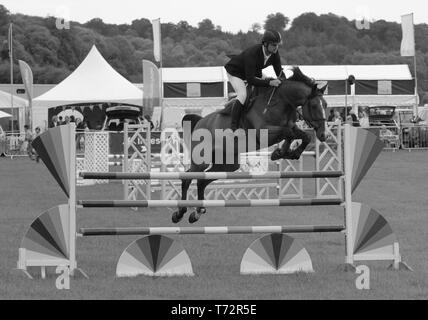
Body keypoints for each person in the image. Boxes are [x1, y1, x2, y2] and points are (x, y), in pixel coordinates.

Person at [224, 30, 284, 131]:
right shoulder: (253, 53)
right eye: (274, 45)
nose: (276, 47)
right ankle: (233, 127)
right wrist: (269, 82)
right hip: (235, 72)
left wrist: (284, 83)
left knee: (272, 81)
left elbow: (279, 73)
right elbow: (251, 80)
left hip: (252, 71)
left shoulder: (274, 53)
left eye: (277, 45)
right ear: (265, 44)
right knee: (243, 95)